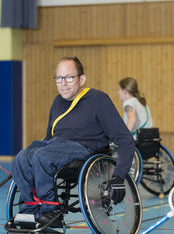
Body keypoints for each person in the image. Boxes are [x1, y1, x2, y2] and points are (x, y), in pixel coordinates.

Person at [10, 57, 135, 228]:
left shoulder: (98, 100)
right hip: (55, 146)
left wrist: (119, 177)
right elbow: (49, 137)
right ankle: (31, 208)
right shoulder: (57, 102)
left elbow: (125, 139)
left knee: (42, 156)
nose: (63, 83)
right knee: (22, 157)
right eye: (59, 78)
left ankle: (50, 211)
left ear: (82, 79)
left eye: (69, 77)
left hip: (85, 149)